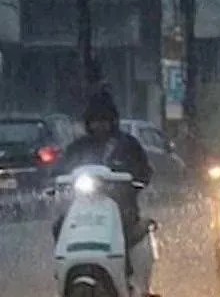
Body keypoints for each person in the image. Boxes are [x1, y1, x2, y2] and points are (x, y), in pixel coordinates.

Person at [53, 90, 152, 244]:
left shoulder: (128, 145)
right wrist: (55, 182)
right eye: (95, 121)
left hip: (121, 206)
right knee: (60, 226)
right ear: (88, 123)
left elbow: (144, 170)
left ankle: (125, 258)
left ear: (113, 121)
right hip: (82, 206)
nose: (99, 125)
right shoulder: (78, 147)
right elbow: (61, 169)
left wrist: (135, 182)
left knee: (127, 227)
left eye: (104, 120)